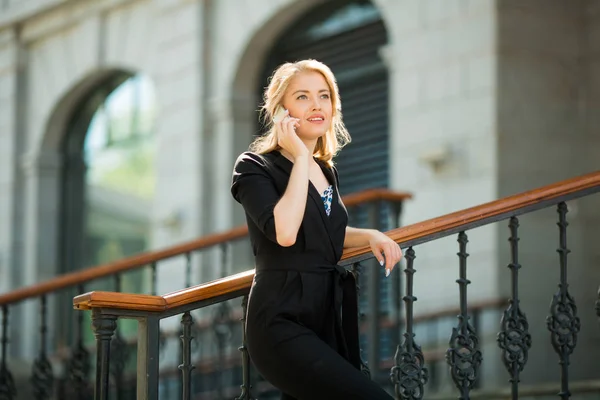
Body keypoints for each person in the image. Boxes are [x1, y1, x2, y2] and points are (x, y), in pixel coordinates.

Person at [231, 59, 401, 400]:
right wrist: (299, 156)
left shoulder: (327, 172)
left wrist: (369, 235)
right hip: (280, 318)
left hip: (324, 315)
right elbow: (287, 233)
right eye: (303, 97)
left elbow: (324, 235)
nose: (317, 105)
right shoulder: (254, 167)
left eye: (324, 96)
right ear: (282, 110)